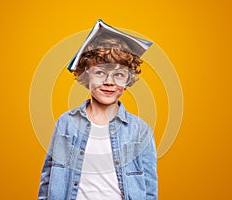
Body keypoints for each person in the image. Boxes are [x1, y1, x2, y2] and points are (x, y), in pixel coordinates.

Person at [38, 20, 158, 200]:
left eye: (118, 74)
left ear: (127, 80)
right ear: (86, 75)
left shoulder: (140, 130)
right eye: (100, 72)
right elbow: (48, 178)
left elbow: (149, 188)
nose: (109, 82)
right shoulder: (66, 123)